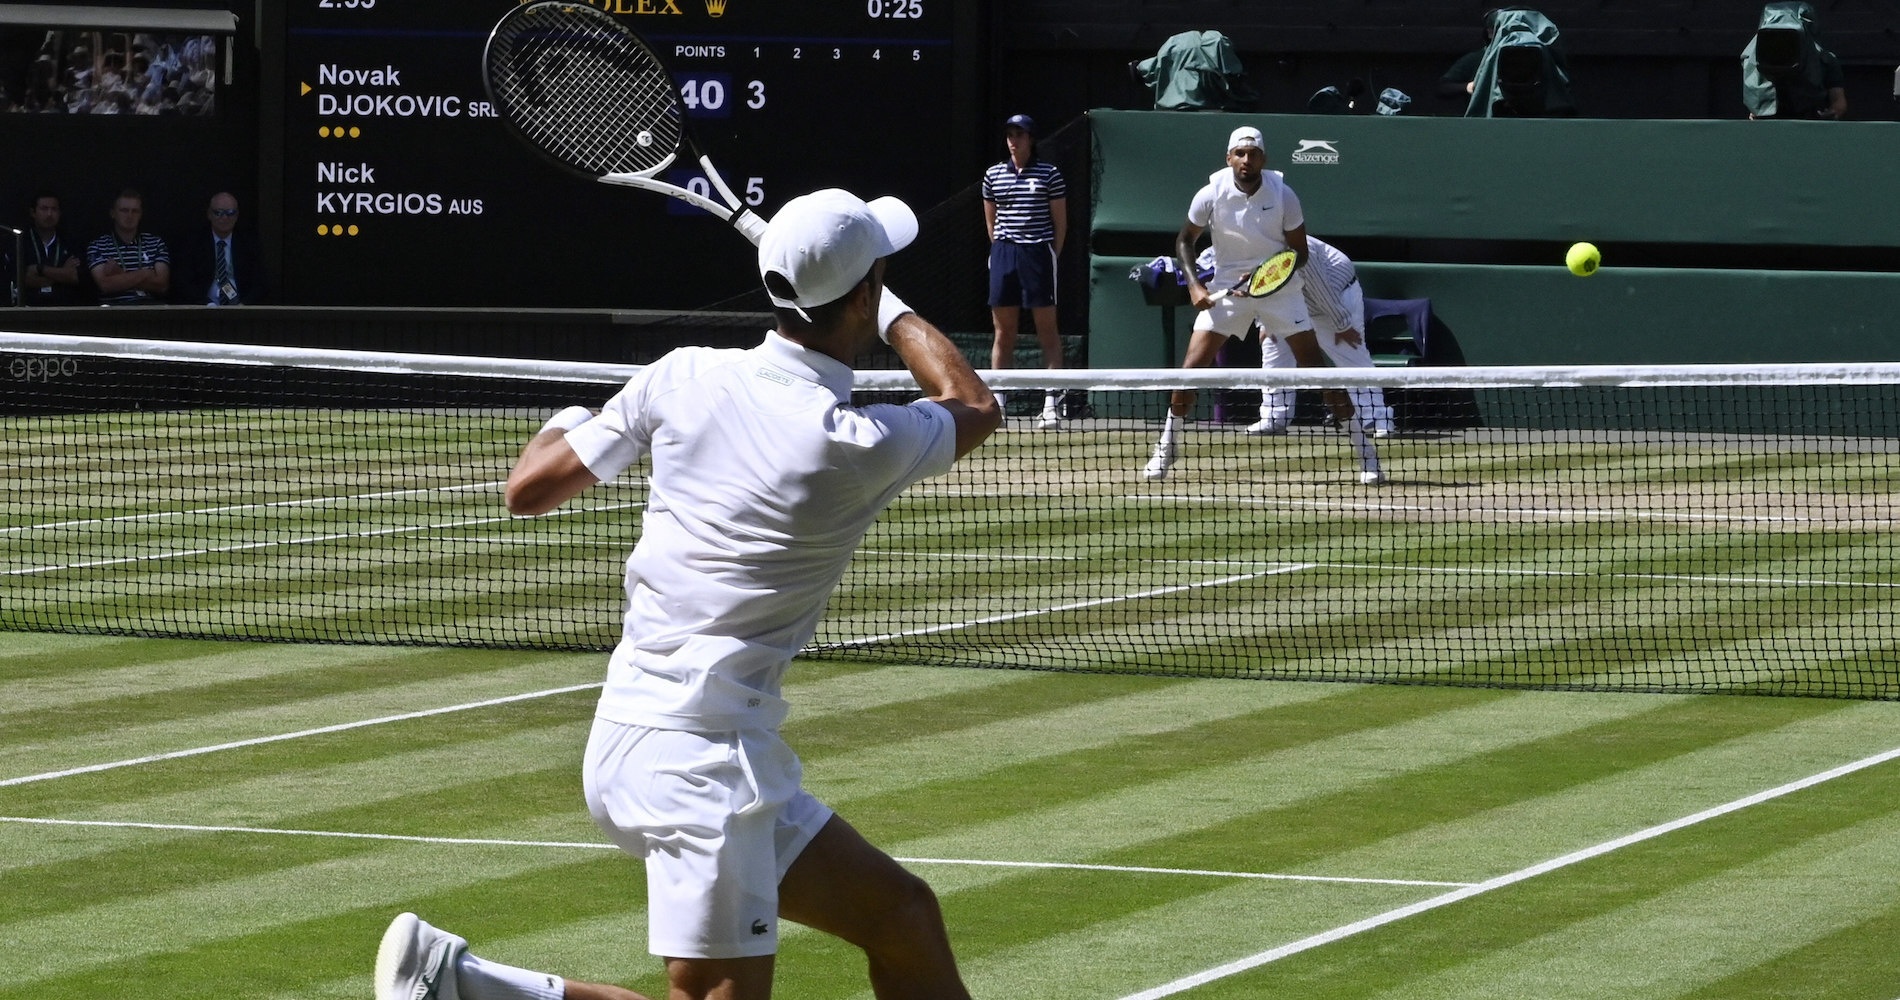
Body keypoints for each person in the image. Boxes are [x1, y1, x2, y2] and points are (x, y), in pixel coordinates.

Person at [374, 188, 999, 1000]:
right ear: (863, 292)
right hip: (702, 768)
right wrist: (891, 311)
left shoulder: (680, 376)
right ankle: (462, 984)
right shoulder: (850, 443)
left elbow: (529, 487)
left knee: (901, 917)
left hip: (648, 738)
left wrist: (577, 415)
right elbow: (975, 404)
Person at [1143, 126, 1382, 486]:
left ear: (1263, 159)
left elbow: (1300, 252)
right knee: (1190, 370)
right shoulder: (1209, 194)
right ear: (1229, 158)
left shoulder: (1284, 195)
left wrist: (1271, 278)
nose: (1246, 160)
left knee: (1318, 371)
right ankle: (1167, 446)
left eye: (1253, 154)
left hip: (1279, 290)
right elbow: (1184, 240)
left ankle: (1366, 453)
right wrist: (1195, 286)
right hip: (1227, 287)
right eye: (1239, 153)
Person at [1248, 237, 1396, 439]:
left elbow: (1320, 288)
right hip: (1290, 303)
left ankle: (1377, 417)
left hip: (1335, 298)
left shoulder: (1295, 245)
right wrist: (1264, 321)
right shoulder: (1249, 247)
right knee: (1273, 348)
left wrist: (1341, 324)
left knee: (1351, 356)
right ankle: (1274, 416)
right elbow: (1258, 285)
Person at [982, 112, 1069, 429]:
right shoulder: (993, 175)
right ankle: (998, 406)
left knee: (1047, 330)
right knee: (1003, 332)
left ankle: (1051, 405)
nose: (1013, 140)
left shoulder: (1049, 174)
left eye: (1019, 134)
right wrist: (1000, 251)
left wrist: (1048, 255)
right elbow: (991, 221)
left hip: (1038, 254)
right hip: (1005, 253)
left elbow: (1060, 223)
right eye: (1010, 134)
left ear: (1031, 139)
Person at [1742, 2, 1847, 120]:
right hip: (1769, 125)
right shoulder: (1753, 58)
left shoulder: (1826, 61)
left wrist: (1830, 114)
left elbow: (1839, 103)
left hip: (1809, 123)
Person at [172, 191, 268, 304]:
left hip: (241, 308)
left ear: (237, 215)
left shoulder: (249, 242)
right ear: (209, 214)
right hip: (202, 308)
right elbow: (183, 282)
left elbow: (261, 282)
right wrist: (206, 304)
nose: (224, 217)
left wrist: (244, 306)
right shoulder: (193, 242)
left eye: (230, 213)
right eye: (218, 213)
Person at [86, 188, 169, 305]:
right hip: (114, 312)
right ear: (113, 213)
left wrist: (120, 274)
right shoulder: (98, 245)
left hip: (150, 310)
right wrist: (145, 273)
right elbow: (105, 285)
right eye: (124, 210)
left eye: (135, 211)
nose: (130, 216)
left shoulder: (155, 243)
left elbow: (162, 284)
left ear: (141, 214)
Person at [18, 191, 86, 306]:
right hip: (28, 309)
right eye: (44, 209)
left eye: (54, 209)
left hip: (66, 309)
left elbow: (74, 276)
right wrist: (62, 274)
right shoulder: (21, 241)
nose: (49, 214)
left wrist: (40, 269)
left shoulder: (71, 241)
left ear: (60, 213)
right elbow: (23, 279)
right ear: (33, 212)